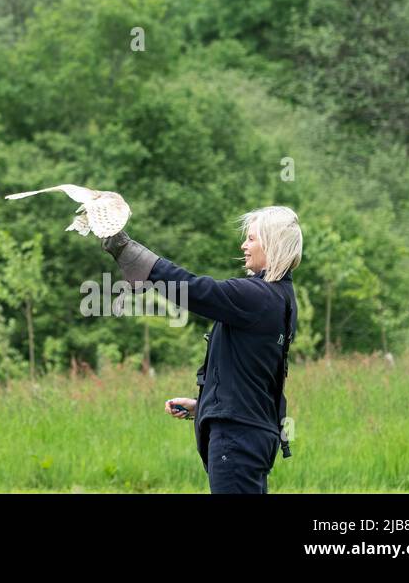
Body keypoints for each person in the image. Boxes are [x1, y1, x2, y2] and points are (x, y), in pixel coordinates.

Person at [99, 206, 301, 494]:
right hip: (252, 433)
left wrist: (129, 252)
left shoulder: (257, 297)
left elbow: (196, 290)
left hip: (237, 438)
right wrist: (205, 403)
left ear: (273, 244)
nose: (244, 245)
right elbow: (256, 375)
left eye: (252, 239)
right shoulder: (283, 300)